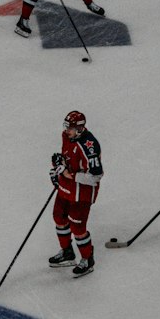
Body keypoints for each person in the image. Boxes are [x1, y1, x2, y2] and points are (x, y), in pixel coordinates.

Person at [48, 109, 103, 278]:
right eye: (66, 126)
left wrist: (68, 174)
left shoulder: (90, 146)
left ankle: (87, 259)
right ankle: (67, 252)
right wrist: (59, 163)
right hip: (67, 187)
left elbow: (96, 176)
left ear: (80, 128)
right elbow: (67, 157)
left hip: (82, 193)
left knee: (78, 227)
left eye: (70, 127)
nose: (66, 130)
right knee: (58, 217)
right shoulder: (67, 136)